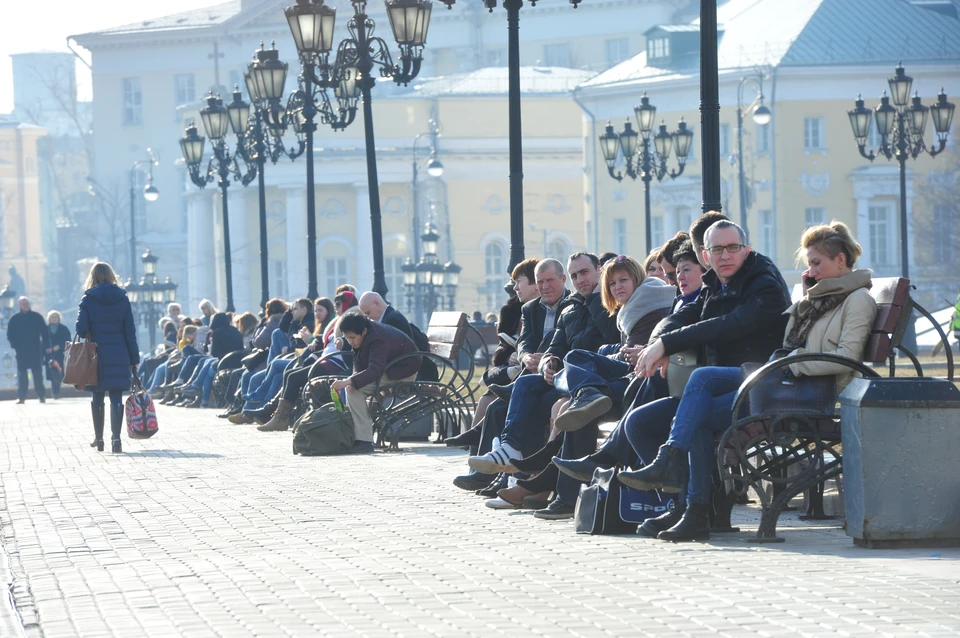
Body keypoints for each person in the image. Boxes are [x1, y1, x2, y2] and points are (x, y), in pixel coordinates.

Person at [330, 314, 422, 453]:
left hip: (402, 372)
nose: (350, 342)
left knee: (354, 389)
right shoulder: (365, 331)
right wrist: (355, 375)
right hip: (391, 369)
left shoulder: (378, 338)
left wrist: (350, 380)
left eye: (353, 338)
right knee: (353, 386)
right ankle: (361, 436)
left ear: (364, 332)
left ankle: (364, 440)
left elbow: (375, 369)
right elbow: (358, 358)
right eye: (347, 338)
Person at [76, 262, 140, 453]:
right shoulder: (122, 299)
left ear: (92, 277)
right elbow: (130, 332)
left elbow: (81, 330)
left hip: (96, 355)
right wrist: (134, 358)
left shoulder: (87, 299)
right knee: (116, 397)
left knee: (97, 397)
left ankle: (99, 439)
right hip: (119, 354)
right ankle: (116, 440)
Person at [7, 296, 49, 403]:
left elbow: (45, 332)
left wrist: (47, 346)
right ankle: (21, 397)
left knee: (37, 374)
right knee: (22, 375)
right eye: (23, 303)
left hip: (35, 349)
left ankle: (41, 396)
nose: (26, 305)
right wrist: (14, 346)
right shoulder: (14, 318)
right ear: (19, 305)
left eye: (27, 303)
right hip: (21, 350)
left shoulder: (37, 317)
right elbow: (10, 334)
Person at [45, 310, 72, 399]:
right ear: (49, 319)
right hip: (50, 355)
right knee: (53, 373)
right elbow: (41, 341)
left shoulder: (63, 328)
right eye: (52, 317)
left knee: (59, 372)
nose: (54, 319)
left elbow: (68, 340)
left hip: (60, 355)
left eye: (55, 317)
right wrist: (46, 347)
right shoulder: (45, 329)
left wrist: (60, 346)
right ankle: (55, 392)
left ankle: (56, 392)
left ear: (58, 318)